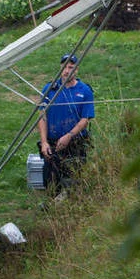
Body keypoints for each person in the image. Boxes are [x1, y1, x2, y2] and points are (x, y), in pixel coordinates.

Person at [37, 53, 95, 196]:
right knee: (50, 180)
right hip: (53, 143)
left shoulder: (84, 91)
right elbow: (42, 115)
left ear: (76, 70)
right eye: (64, 66)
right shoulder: (49, 89)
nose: (66, 70)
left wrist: (69, 135)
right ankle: (52, 207)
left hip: (75, 142)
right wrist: (44, 142)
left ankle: (73, 207)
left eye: (71, 67)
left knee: (74, 180)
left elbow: (85, 119)